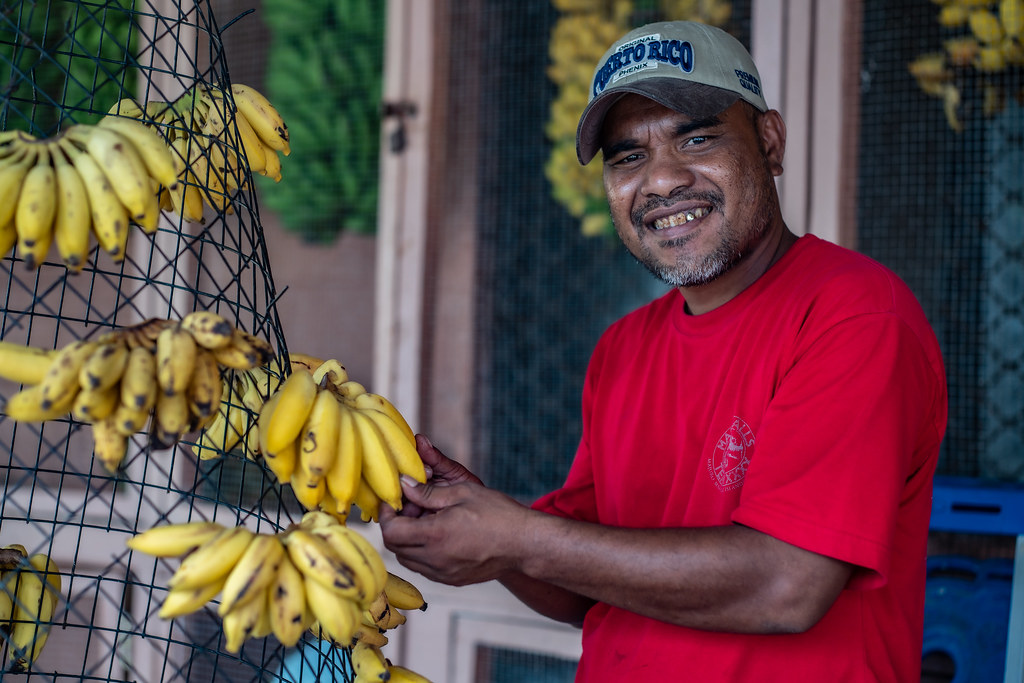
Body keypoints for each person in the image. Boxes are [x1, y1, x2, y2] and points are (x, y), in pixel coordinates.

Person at [379, 20, 948, 682]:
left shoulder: (853, 315)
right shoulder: (623, 348)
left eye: (696, 138)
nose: (662, 181)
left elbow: (788, 583)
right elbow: (588, 579)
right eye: (628, 157)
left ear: (770, 142)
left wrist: (519, 536)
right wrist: (490, 539)